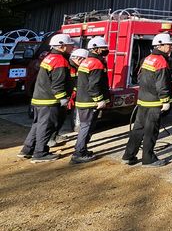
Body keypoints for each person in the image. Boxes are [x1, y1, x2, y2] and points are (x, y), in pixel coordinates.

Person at [18, 33, 76, 163]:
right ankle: (40, 153)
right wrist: (63, 98)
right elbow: (57, 82)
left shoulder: (49, 57)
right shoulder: (59, 60)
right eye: (70, 45)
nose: (72, 47)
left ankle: (27, 150)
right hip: (49, 100)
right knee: (46, 126)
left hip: (40, 98)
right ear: (61, 46)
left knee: (38, 125)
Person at [122, 33, 172, 167]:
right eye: (169, 45)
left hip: (143, 100)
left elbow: (139, 78)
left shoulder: (148, 59)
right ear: (160, 45)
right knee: (151, 131)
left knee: (138, 129)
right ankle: (148, 158)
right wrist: (166, 100)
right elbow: (162, 83)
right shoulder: (161, 61)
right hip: (154, 103)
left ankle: (129, 155)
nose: (171, 48)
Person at [72, 39, 108, 164]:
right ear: (96, 48)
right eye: (103, 48)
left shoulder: (86, 61)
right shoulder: (96, 63)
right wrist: (99, 100)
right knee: (86, 127)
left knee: (86, 126)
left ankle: (82, 149)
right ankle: (78, 153)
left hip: (83, 99)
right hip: (89, 101)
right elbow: (94, 85)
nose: (105, 50)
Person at [49, 47, 87, 147]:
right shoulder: (68, 66)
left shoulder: (75, 66)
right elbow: (63, 83)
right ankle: (50, 139)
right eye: (84, 61)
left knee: (62, 117)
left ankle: (55, 135)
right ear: (79, 59)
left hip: (67, 96)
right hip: (58, 97)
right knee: (55, 119)